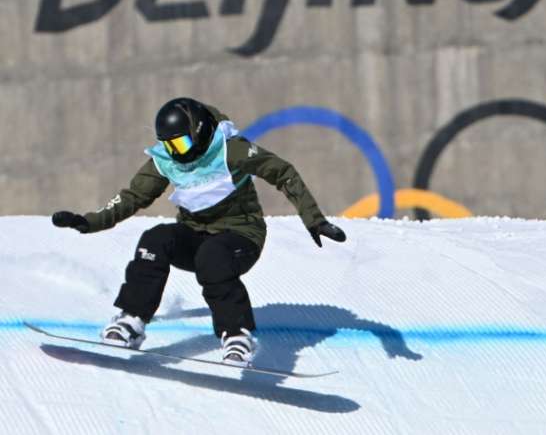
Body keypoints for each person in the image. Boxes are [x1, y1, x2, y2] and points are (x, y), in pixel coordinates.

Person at [51, 97, 346, 366]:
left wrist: (314, 219)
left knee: (213, 257)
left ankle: (237, 335)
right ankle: (132, 319)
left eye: (179, 145)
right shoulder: (167, 161)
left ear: (199, 131)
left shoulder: (231, 150)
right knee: (155, 240)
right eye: (168, 146)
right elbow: (133, 196)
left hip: (241, 236)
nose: (175, 154)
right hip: (195, 235)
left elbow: (283, 173)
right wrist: (90, 222)